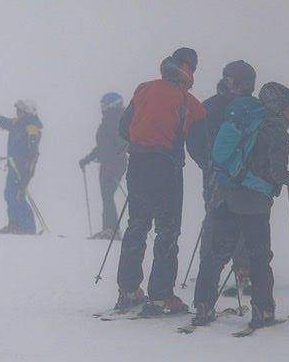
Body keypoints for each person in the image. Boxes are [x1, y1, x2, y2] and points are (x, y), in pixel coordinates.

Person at [191, 83, 289, 329]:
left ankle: (203, 305)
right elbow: (278, 174)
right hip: (254, 205)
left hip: (225, 196)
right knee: (259, 258)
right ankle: (263, 310)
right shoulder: (276, 133)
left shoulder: (250, 125)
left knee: (215, 256)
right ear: (279, 108)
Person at [112, 47, 208, 315]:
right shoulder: (190, 103)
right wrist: (211, 167)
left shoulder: (143, 89)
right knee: (167, 230)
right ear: (189, 69)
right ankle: (161, 295)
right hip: (166, 168)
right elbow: (199, 147)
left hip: (138, 165)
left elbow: (123, 127)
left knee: (137, 226)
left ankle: (129, 290)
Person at [198, 60, 257, 291]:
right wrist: (208, 163)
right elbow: (199, 139)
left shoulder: (253, 106)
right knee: (215, 217)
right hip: (217, 172)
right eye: (239, 82)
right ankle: (209, 267)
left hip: (245, 172)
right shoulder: (210, 107)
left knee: (243, 217)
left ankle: (243, 268)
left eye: (248, 83)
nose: (244, 88)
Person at [79, 92, 128, 239]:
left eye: (104, 106)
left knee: (107, 196)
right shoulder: (109, 120)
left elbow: (122, 144)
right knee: (106, 196)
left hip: (113, 165)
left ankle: (111, 229)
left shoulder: (116, 121)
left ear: (113, 106)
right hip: (108, 163)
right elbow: (102, 146)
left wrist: (113, 161)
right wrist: (88, 159)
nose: (102, 108)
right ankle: (109, 228)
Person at [0, 99, 42, 234]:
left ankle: (27, 227)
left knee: (17, 196)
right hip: (13, 166)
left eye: (20, 111)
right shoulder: (18, 123)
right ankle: (14, 224)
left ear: (27, 112)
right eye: (17, 111)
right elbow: (7, 123)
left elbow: (33, 152)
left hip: (23, 168)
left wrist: (27, 173)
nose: (17, 113)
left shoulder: (31, 126)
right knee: (9, 194)